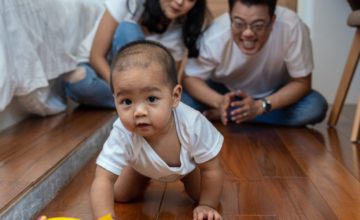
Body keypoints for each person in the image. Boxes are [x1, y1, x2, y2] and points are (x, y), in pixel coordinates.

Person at [90, 40, 224, 220]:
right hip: (140, 165)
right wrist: (103, 218)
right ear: (114, 101)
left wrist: (207, 205)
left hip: (188, 167)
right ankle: (140, 172)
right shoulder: (122, 132)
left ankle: (191, 181)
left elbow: (211, 169)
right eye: (127, 102)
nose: (139, 112)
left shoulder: (193, 124)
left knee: (202, 194)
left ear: (174, 97)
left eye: (151, 99)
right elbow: (103, 179)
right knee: (120, 194)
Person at [181, 0, 328, 127]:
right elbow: (190, 79)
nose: (247, 33)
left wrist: (260, 106)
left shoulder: (291, 26)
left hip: (273, 97)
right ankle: (236, 112)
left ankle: (230, 115)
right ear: (230, 16)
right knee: (182, 102)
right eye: (238, 24)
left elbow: (302, 82)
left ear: (272, 21)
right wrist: (219, 102)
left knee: (315, 107)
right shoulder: (215, 35)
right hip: (224, 92)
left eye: (258, 26)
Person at [64, 0, 211, 109]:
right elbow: (96, 57)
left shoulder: (179, 29)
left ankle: (129, 105)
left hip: (139, 84)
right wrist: (126, 91)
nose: (179, 2)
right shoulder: (129, 3)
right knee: (78, 82)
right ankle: (135, 104)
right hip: (101, 72)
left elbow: (168, 79)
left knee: (186, 103)